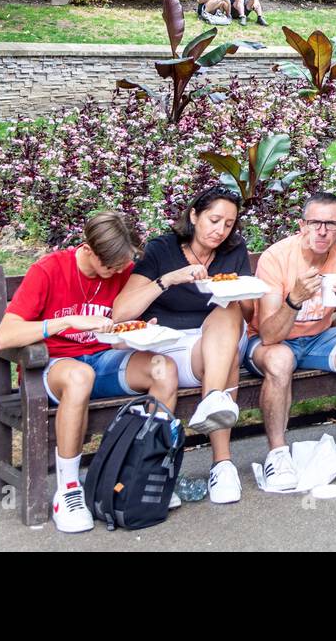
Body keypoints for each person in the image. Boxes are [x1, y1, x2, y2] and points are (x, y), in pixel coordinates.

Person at [0, 211, 180, 533]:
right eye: (111, 266)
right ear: (89, 249)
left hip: (104, 360)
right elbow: (4, 336)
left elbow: (118, 328)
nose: (119, 272)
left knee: (164, 368)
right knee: (81, 375)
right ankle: (67, 490)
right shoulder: (49, 270)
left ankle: (144, 471)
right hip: (55, 368)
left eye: (124, 265)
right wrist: (66, 322)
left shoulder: (122, 269)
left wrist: (134, 333)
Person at [112, 186, 254, 504]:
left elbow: (248, 314)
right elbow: (120, 312)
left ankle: (213, 408)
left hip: (217, 340)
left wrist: (238, 291)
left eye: (228, 224)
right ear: (194, 215)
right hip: (172, 347)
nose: (220, 230)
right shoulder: (163, 249)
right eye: (214, 220)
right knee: (226, 357)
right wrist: (169, 279)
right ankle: (222, 463)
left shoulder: (234, 251)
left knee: (227, 313)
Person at [246, 192, 336, 489]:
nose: (322, 231)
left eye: (331, 224)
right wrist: (294, 299)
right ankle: (278, 453)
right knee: (280, 358)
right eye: (315, 223)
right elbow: (269, 334)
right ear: (302, 225)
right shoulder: (277, 258)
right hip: (274, 343)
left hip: (319, 338)